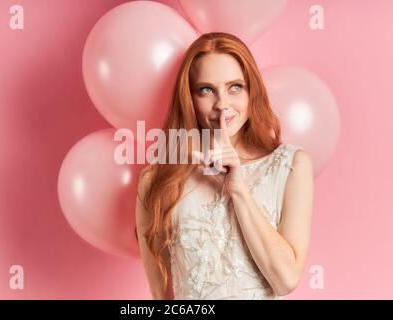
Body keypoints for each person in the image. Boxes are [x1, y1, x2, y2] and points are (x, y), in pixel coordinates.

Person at [135, 32, 314, 300]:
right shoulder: (157, 179)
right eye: (206, 90)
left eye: (234, 87)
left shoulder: (291, 166)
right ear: (190, 97)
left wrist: (239, 190)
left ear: (251, 90)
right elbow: (162, 297)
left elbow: (286, 280)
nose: (222, 105)